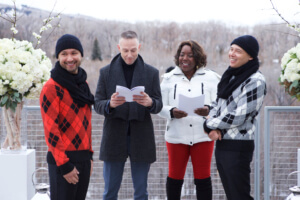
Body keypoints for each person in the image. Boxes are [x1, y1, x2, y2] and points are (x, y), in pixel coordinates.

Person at [94, 30, 163, 200]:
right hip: (114, 136)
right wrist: (110, 104)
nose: (129, 54)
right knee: (110, 191)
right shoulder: (105, 72)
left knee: (141, 193)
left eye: (133, 50)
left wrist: (150, 103)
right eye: (125, 50)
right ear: (119, 48)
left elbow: (159, 104)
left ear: (139, 47)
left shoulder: (151, 73)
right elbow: (97, 103)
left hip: (142, 137)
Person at [203, 35, 267, 200]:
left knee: (240, 196)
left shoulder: (256, 80)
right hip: (223, 143)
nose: (232, 53)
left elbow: (240, 115)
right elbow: (217, 103)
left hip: (238, 147)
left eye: (238, 51)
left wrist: (210, 124)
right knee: (232, 195)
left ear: (250, 56)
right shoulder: (230, 76)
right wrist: (211, 125)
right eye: (231, 49)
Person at [158, 40, 220, 200]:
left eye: (190, 55)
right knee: (175, 177)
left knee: (203, 178)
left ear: (198, 58)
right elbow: (158, 106)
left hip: (203, 135)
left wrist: (208, 110)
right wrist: (172, 112)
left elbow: (220, 105)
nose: (184, 58)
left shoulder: (212, 78)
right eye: (182, 55)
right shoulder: (168, 79)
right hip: (176, 136)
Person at [40, 34, 94, 200]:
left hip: (83, 159)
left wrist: (89, 157)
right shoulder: (51, 87)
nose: (69, 58)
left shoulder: (83, 84)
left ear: (81, 55)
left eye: (74, 53)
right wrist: (64, 165)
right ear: (58, 57)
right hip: (63, 162)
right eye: (64, 54)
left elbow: (86, 124)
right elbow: (51, 131)